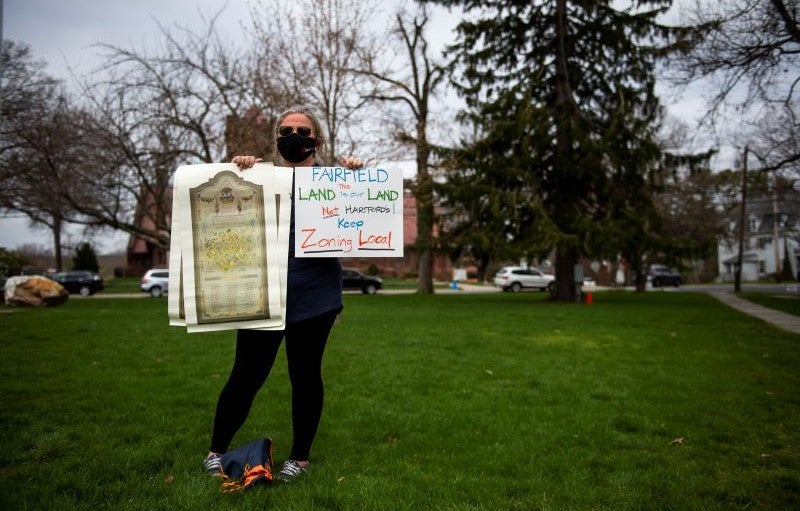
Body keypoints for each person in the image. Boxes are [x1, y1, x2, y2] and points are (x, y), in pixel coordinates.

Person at [203, 105, 363, 482]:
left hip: (316, 296)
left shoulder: (335, 181)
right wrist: (237, 168)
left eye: (304, 131)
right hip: (262, 293)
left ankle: (300, 459)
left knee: (306, 376)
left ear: (317, 141)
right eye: (287, 130)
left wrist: (358, 174)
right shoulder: (256, 178)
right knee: (245, 375)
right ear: (277, 139)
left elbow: (361, 217)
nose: (296, 136)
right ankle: (215, 451)